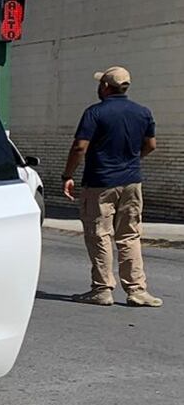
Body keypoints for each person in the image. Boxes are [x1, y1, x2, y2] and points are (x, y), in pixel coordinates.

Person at [61, 66, 161, 307]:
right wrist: (131, 161)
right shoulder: (142, 112)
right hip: (131, 182)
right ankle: (136, 289)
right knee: (130, 235)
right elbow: (151, 145)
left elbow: (79, 147)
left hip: (100, 182)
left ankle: (102, 288)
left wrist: (67, 174)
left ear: (105, 86)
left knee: (99, 234)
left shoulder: (95, 113)